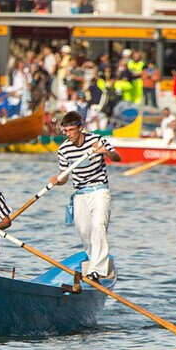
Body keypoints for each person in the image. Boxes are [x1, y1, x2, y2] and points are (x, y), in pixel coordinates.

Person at [50, 111, 120, 280]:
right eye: (65, 131)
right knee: (84, 230)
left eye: (71, 131)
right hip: (79, 194)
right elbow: (64, 177)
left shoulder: (96, 140)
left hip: (99, 190)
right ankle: (93, 261)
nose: (68, 134)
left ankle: (98, 269)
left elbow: (117, 157)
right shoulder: (63, 149)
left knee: (98, 225)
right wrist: (56, 181)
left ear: (80, 128)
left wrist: (105, 152)